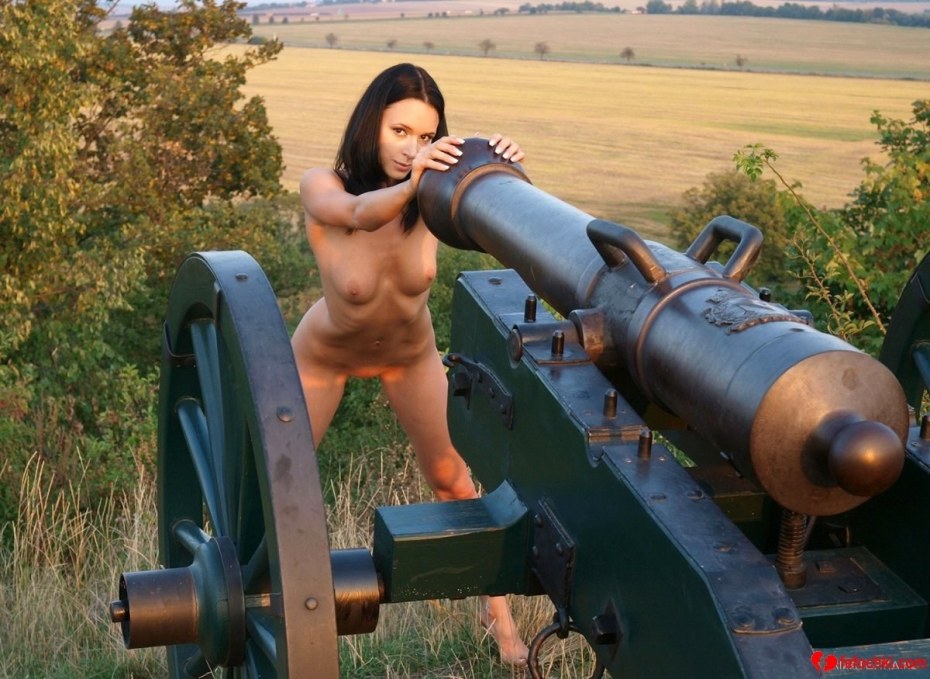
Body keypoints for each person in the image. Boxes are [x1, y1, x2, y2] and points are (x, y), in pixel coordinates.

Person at [291, 63, 529, 666]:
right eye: (399, 131)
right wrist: (418, 180)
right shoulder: (323, 185)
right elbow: (356, 214)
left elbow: (497, 218)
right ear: (371, 123)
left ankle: (502, 628)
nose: (412, 148)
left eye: (426, 136)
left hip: (410, 357)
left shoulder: (433, 192)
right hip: (325, 358)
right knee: (280, 486)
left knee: (455, 483)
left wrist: (499, 165)